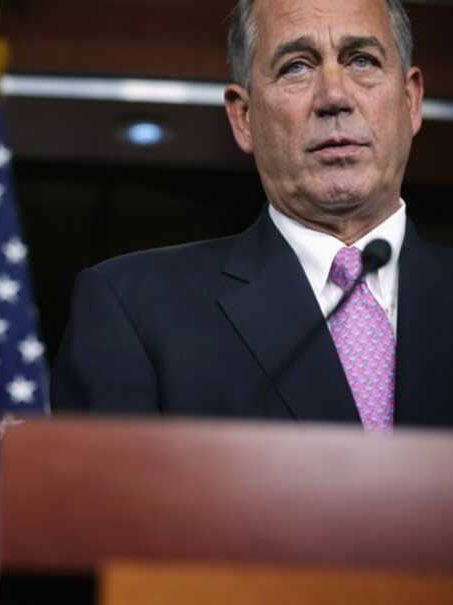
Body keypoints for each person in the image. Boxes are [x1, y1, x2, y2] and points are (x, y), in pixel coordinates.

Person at [51, 0, 453, 428]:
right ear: (244, 117)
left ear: (410, 101)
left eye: (361, 60)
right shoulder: (132, 308)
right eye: (296, 66)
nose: (334, 96)